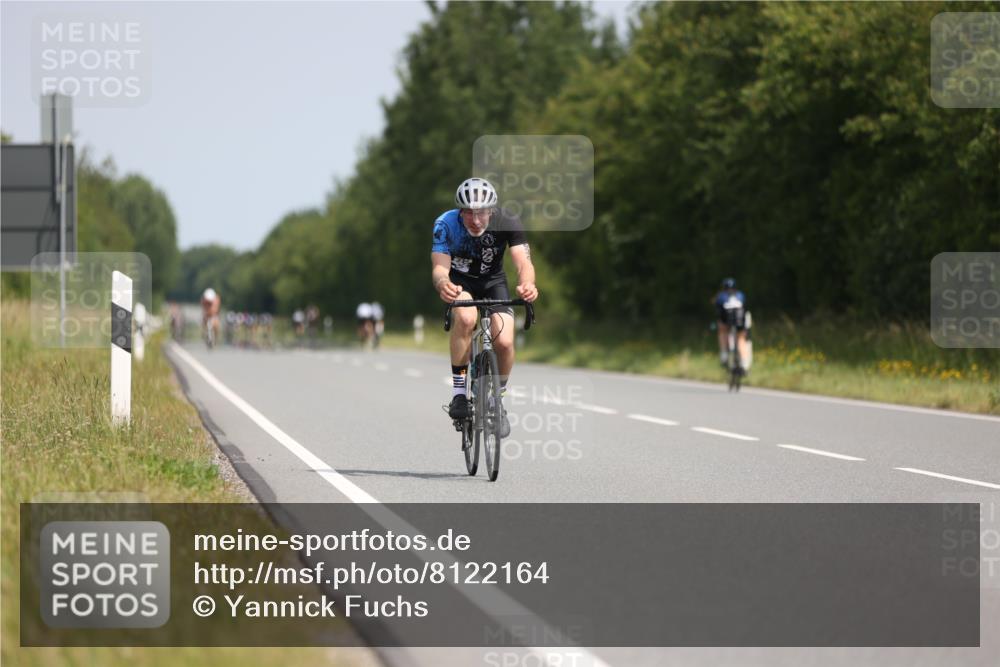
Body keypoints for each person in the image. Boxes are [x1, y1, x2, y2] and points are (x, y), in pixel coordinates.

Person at [431, 177, 538, 437]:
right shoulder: (445, 223)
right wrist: (443, 282)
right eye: (468, 213)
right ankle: (458, 395)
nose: (476, 220)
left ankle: (496, 400)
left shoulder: (507, 221)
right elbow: (439, 267)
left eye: (481, 213)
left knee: (504, 342)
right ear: (460, 211)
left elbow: (524, 263)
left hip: (493, 282)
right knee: (466, 319)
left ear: (492, 210)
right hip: (460, 282)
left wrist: (527, 285)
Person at [714, 278, 750, 374]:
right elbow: (745, 308)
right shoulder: (740, 295)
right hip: (740, 320)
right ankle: (744, 364)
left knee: (722, 330)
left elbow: (717, 310)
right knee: (741, 340)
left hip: (726, 320)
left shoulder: (721, 296)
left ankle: (724, 353)